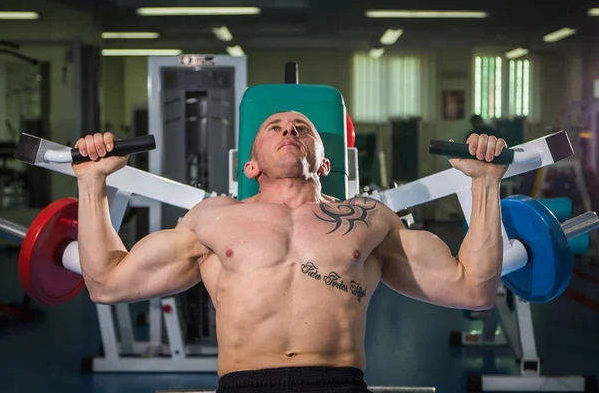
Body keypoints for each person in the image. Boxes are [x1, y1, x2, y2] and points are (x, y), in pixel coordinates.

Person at [73, 111, 508, 393]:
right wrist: (91, 182)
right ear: (251, 165)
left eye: (302, 128)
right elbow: (107, 282)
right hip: (245, 384)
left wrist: (486, 182)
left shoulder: (369, 219)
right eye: (274, 127)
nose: (289, 130)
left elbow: (473, 289)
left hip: (337, 382)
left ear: (323, 163)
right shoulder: (211, 219)